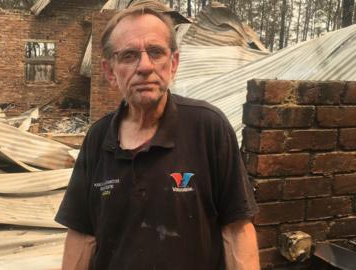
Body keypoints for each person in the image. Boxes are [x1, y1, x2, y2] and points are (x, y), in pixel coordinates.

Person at [55, 4, 259, 270]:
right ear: (109, 71)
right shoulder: (98, 138)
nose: (145, 66)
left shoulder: (208, 128)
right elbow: (83, 235)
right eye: (129, 56)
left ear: (173, 63)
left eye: (156, 52)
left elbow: (236, 231)